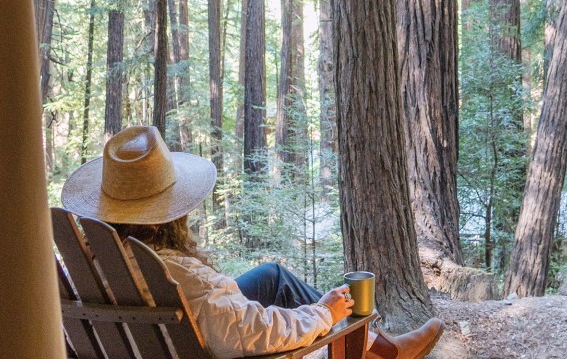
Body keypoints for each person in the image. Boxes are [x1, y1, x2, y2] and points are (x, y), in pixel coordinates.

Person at [61, 125, 443, 358]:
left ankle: (381, 348)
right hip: (199, 340)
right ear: (172, 210)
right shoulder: (181, 275)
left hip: (150, 340)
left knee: (272, 277)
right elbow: (249, 332)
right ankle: (382, 352)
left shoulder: (88, 264)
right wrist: (325, 312)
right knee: (318, 305)